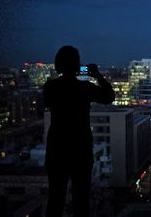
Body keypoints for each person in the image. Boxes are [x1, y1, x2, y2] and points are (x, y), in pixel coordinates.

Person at [43, 46, 115, 217]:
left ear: (57, 64)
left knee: (55, 198)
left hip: (57, 147)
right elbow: (109, 97)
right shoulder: (85, 88)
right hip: (80, 147)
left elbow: (47, 103)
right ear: (77, 65)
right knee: (81, 200)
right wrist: (97, 75)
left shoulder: (50, 87)